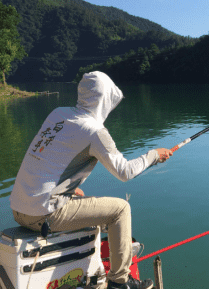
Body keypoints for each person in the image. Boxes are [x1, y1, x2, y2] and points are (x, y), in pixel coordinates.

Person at [9, 71, 171, 289]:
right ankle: (120, 281)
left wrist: (67, 189)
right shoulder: (94, 131)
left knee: (90, 201)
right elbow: (124, 172)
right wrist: (154, 155)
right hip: (43, 213)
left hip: (19, 209)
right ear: (105, 100)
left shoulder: (58, 114)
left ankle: (92, 264)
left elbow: (48, 159)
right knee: (120, 209)